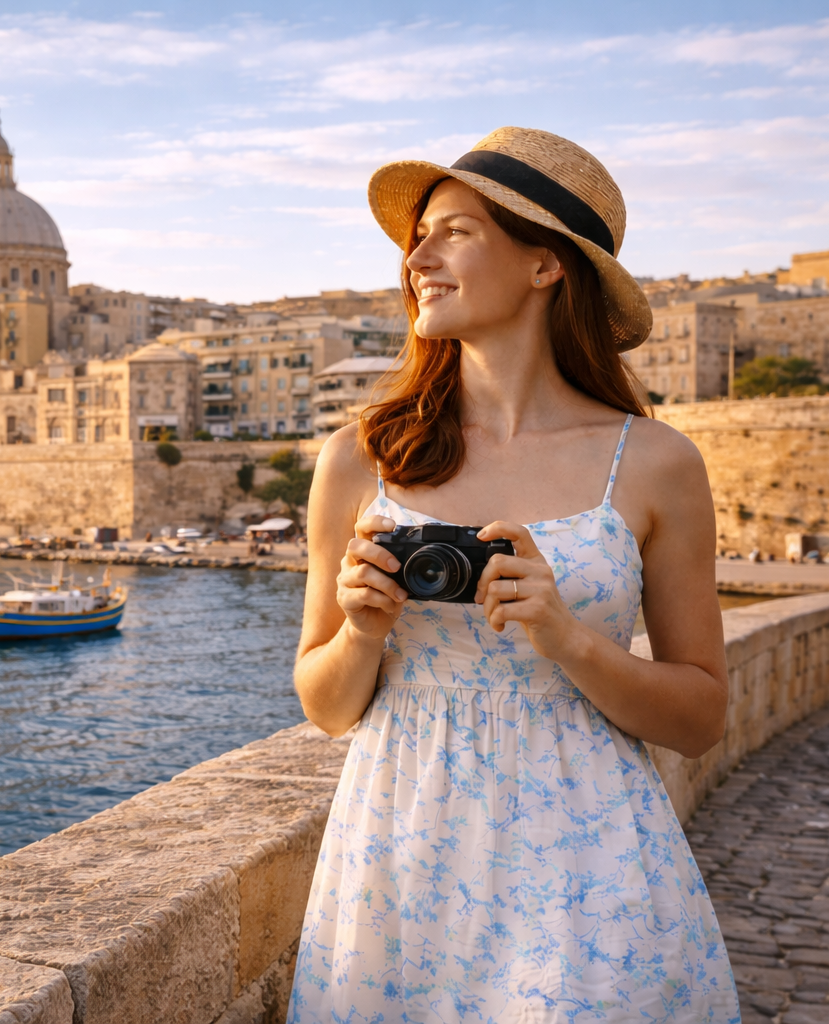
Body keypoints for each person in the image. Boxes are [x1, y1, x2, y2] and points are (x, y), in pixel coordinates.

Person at [288, 128, 737, 1022]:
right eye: (417, 238)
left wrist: (565, 636)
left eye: (453, 231)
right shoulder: (359, 460)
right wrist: (365, 631)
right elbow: (324, 704)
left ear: (546, 266)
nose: (417, 258)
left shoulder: (653, 464)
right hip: (397, 862)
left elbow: (700, 718)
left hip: (590, 868)